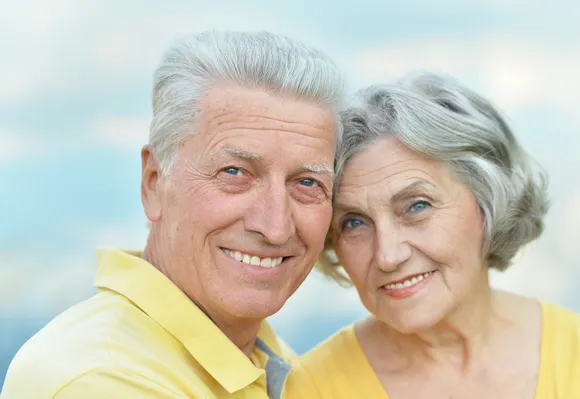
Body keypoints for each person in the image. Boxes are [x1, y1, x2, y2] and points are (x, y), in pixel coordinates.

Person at [1, 30, 345, 399]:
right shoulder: (101, 378)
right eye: (234, 173)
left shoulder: (270, 359)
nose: (276, 227)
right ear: (154, 183)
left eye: (307, 183)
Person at [287, 73, 580, 398]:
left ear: (488, 202)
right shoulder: (308, 389)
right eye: (354, 223)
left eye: (417, 206)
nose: (388, 256)